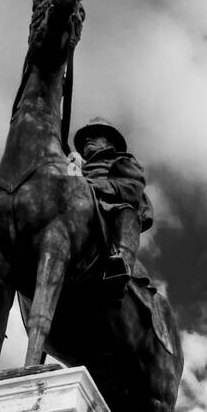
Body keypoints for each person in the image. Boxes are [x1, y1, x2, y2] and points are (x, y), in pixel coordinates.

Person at [72, 117, 154, 301]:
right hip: (74, 206)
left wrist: (87, 183)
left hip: (106, 209)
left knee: (127, 212)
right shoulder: (75, 164)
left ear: (109, 141)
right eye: (86, 137)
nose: (87, 139)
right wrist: (70, 168)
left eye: (95, 135)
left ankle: (120, 264)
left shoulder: (123, 160)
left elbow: (130, 189)